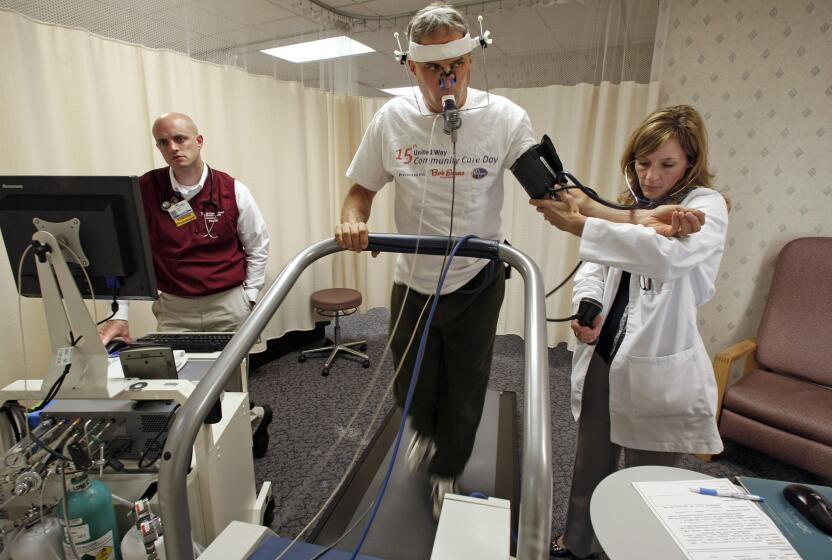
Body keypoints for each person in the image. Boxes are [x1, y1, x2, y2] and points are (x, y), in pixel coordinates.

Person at [334, 3, 700, 520]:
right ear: (410, 67)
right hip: (411, 279)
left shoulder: (504, 119)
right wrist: (351, 220)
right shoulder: (391, 120)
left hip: (476, 280)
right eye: (434, 67)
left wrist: (639, 219)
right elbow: (360, 192)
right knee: (410, 382)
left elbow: (560, 197)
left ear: (472, 60)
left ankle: (447, 469)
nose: (447, 77)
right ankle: (423, 432)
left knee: (464, 386)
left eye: (457, 63)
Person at [530, 105, 728, 559]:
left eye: (666, 164)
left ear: (691, 162)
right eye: (643, 163)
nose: (651, 177)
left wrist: (586, 221)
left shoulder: (704, 209)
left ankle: (634, 551)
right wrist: (589, 303)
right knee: (591, 461)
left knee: (648, 479)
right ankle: (578, 541)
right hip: (605, 355)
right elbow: (597, 264)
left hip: (657, 365)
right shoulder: (631, 206)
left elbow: (666, 257)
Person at [98, 112, 273, 458]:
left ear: (198, 140)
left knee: (231, 390)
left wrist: (250, 298)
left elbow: (258, 245)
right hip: (175, 307)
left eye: (180, 139)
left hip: (228, 303)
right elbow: (127, 256)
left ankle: (247, 429)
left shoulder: (231, 189)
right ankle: (195, 460)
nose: (173, 147)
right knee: (177, 388)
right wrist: (121, 312)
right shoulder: (145, 191)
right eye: (163, 142)